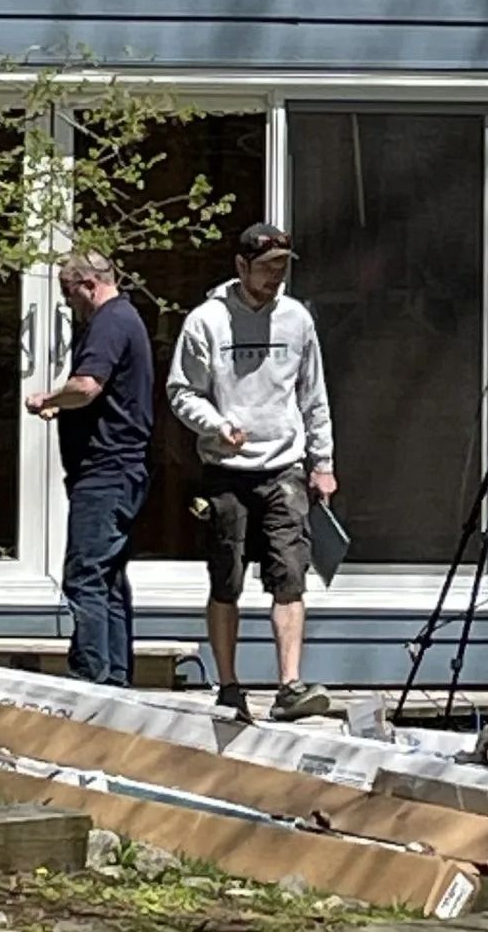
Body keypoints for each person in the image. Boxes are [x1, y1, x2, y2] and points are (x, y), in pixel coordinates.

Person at [167, 221, 336, 722]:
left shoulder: (297, 320)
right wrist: (216, 425)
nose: (275, 276)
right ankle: (229, 684)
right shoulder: (206, 321)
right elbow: (182, 392)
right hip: (225, 466)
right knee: (227, 578)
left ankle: (290, 686)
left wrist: (322, 462)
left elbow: (314, 395)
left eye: (282, 266)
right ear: (241, 267)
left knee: (290, 575)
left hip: (283, 465)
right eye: (266, 268)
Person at [27, 250, 153, 687]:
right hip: (122, 470)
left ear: (88, 284)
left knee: (84, 575)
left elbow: (86, 386)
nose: (67, 304)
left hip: (106, 472)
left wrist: (48, 400)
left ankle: (90, 679)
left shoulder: (110, 322)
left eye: (68, 293)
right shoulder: (126, 319)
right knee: (109, 577)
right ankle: (116, 677)